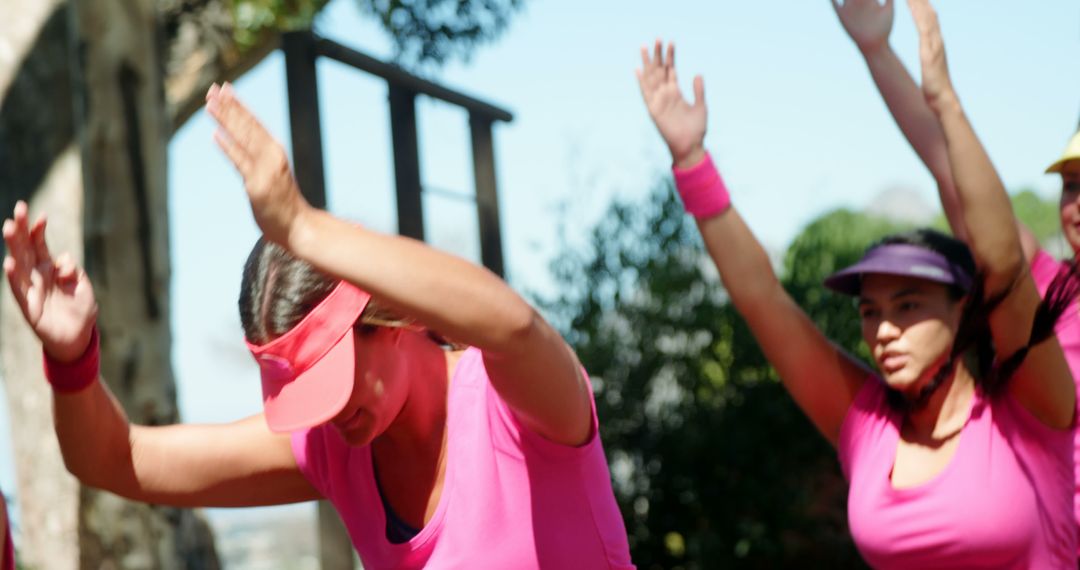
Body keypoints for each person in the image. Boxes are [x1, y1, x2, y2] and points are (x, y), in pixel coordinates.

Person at [1, 83, 634, 569]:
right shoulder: (337, 449)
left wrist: (302, 226)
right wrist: (73, 355)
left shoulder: (517, 409)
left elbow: (515, 326)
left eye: (332, 379)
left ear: (389, 317)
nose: (330, 415)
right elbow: (116, 460)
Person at [635, 0, 1076, 564]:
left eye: (909, 304)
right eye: (870, 310)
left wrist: (945, 103)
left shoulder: (1031, 409)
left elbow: (1002, 260)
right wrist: (691, 160)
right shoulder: (867, 422)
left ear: (965, 309)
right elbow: (761, 299)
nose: (884, 329)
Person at [833, 0, 1080, 550]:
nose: (1078, 205)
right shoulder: (1040, 288)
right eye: (1071, 186)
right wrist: (877, 51)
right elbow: (947, 166)